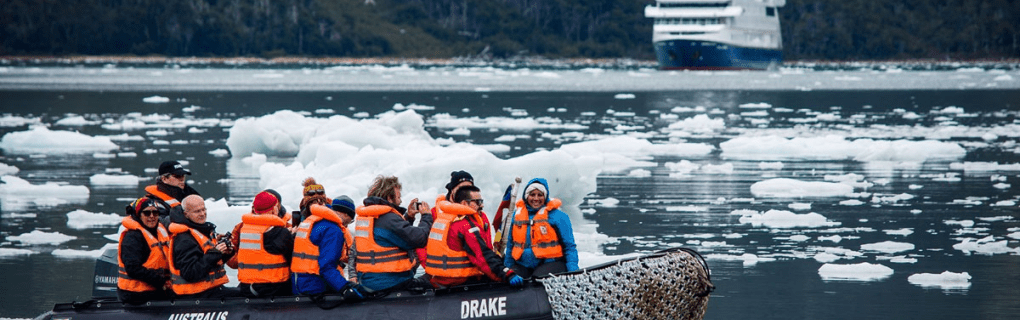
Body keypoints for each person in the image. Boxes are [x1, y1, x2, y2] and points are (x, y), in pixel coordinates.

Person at [424, 186, 523, 288]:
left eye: (482, 201)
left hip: (441, 279)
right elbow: (482, 256)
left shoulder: (446, 218)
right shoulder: (465, 225)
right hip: (458, 282)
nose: (482, 205)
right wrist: (507, 274)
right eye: (478, 202)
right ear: (464, 203)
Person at [354, 175, 432, 293]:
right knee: (432, 279)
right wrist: (426, 217)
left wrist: (409, 217)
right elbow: (418, 239)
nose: (400, 201)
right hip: (391, 282)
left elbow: (394, 236)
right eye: (398, 197)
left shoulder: (369, 216)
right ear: (390, 198)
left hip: (369, 281)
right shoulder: (388, 218)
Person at [504, 178, 579, 278]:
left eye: (540, 195)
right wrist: (507, 270)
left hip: (551, 264)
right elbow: (510, 245)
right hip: (522, 264)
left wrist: (573, 271)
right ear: (526, 197)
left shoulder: (558, 216)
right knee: (512, 279)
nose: (536, 198)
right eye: (532, 195)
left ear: (545, 196)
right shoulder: (517, 216)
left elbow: (569, 246)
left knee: (537, 279)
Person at [167, 195, 235, 299]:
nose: (202, 214)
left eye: (204, 209)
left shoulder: (201, 231)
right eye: (197, 211)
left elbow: (210, 263)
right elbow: (190, 273)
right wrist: (215, 253)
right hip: (196, 294)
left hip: (210, 289)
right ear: (186, 214)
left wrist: (226, 253)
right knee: (244, 295)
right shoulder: (184, 239)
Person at [292, 198, 362, 299]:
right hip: (315, 285)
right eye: (349, 221)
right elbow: (326, 267)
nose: (346, 226)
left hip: (298, 281)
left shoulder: (313, 220)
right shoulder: (332, 230)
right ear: (346, 214)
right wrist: (345, 288)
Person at [236, 191, 293, 298]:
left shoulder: (244, 230)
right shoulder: (279, 232)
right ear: (273, 209)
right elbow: (293, 259)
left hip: (247, 287)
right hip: (273, 288)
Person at [117, 197, 172, 304]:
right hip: (136, 293)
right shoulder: (133, 237)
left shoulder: (160, 231)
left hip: (157, 287)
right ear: (138, 215)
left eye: (155, 213)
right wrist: (161, 282)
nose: (152, 216)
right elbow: (133, 268)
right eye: (147, 213)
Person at [145, 160, 200, 225]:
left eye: (183, 176)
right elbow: (160, 223)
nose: (182, 179)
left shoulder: (187, 194)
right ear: (164, 179)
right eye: (177, 176)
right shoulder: (154, 203)